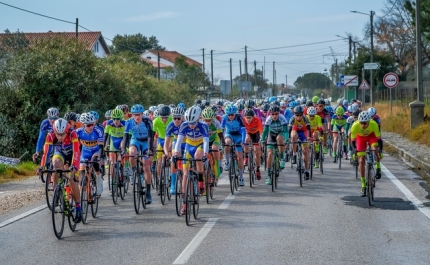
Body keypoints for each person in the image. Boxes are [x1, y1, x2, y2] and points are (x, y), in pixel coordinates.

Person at [37, 118, 82, 223]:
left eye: (62, 134)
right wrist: (42, 166)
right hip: (60, 153)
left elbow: (76, 152)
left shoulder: (72, 134)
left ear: (67, 131)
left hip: (72, 155)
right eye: (58, 134)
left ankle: (78, 208)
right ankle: (57, 190)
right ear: (54, 131)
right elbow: (46, 153)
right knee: (55, 165)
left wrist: (74, 166)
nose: (60, 137)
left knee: (71, 179)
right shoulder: (50, 136)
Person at [174, 106, 209, 215]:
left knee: (198, 155)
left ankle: (200, 180)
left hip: (199, 145)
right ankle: (184, 203)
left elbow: (206, 142)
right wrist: (175, 153)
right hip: (189, 147)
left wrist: (205, 154)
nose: (191, 125)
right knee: (185, 174)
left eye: (193, 123)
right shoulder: (184, 125)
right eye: (189, 123)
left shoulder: (203, 126)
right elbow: (179, 141)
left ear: (199, 118)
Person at [121, 104, 154, 204]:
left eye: (139, 114)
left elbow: (150, 137)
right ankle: (135, 171)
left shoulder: (147, 121)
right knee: (132, 153)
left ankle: (148, 193)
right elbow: (125, 137)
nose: (137, 117)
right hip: (135, 140)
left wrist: (149, 149)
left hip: (145, 142)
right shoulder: (128, 122)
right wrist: (123, 149)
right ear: (132, 115)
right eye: (135, 115)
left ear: (142, 114)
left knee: (146, 166)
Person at [350, 111, 383, 197]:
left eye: (365, 123)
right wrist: (354, 152)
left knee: (375, 150)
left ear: (368, 121)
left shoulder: (374, 124)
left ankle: (378, 167)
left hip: (371, 136)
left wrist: (380, 151)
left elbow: (379, 140)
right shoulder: (355, 126)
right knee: (361, 160)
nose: (363, 125)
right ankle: (363, 185)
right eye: (361, 123)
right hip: (361, 138)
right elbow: (353, 142)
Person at [76, 113, 105, 197]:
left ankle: (99, 180)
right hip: (84, 153)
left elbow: (101, 147)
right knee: (81, 173)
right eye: (88, 125)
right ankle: (82, 193)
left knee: (95, 163)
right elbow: (75, 146)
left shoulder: (98, 131)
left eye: (92, 124)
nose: (91, 127)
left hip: (95, 151)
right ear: (83, 125)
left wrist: (100, 157)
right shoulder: (78, 132)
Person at [260, 105, 289, 185]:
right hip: (271, 135)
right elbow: (265, 132)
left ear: (279, 113)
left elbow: (286, 131)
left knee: (279, 139)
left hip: (280, 133)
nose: (274, 116)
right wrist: (262, 140)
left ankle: (282, 158)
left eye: (276, 114)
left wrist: (286, 139)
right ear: (270, 114)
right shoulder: (268, 119)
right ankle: (269, 175)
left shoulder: (282, 118)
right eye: (272, 114)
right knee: (269, 154)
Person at [222, 104, 246, 186]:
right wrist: (222, 140)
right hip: (229, 134)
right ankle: (227, 161)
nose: (230, 116)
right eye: (229, 115)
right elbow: (221, 130)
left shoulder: (239, 117)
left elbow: (243, 131)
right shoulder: (224, 117)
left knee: (240, 156)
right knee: (227, 142)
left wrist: (243, 141)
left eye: (232, 115)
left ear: (235, 114)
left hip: (238, 135)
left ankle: (241, 177)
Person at [164, 107, 186, 194]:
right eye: (174, 118)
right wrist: (166, 153)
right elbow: (166, 143)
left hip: (188, 142)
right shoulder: (170, 126)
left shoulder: (186, 124)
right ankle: (173, 185)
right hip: (177, 142)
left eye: (178, 118)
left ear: (183, 118)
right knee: (173, 159)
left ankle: (193, 183)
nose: (176, 120)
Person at [153, 105, 173, 195]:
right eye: (162, 117)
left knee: (171, 158)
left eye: (166, 117)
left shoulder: (172, 120)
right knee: (159, 161)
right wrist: (152, 146)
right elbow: (153, 135)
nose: (164, 119)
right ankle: (159, 179)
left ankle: (170, 176)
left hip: (170, 139)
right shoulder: (156, 121)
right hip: (161, 140)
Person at [104, 108, 126, 188]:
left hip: (122, 140)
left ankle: (124, 171)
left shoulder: (125, 123)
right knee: (112, 163)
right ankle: (113, 182)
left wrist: (126, 147)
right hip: (113, 141)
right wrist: (103, 147)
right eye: (114, 119)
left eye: (118, 119)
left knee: (123, 158)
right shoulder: (109, 123)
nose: (116, 121)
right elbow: (105, 135)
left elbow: (128, 137)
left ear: (121, 119)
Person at [288, 106, 311, 180]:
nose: (298, 116)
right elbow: (289, 131)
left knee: (305, 151)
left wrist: (308, 138)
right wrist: (289, 139)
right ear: (294, 114)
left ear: (302, 114)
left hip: (303, 132)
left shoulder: (305, 118)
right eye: (297, 115)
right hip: (295, 131)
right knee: (293, 135)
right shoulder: (292, 119)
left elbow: (308, 130)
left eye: (300, 114)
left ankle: (307, 170)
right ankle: (294, 154)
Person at [243, 109, 263, 180]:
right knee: (246, 140)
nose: (248, 119)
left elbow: (261, 130)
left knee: (257, 150)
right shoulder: (243, 120)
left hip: (256, 134)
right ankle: (246, 157)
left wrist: (261, 138)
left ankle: (257, 169)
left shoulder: (257, 120)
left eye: (250, 118)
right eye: (247, 117)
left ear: (253, 117)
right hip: (248, 133)